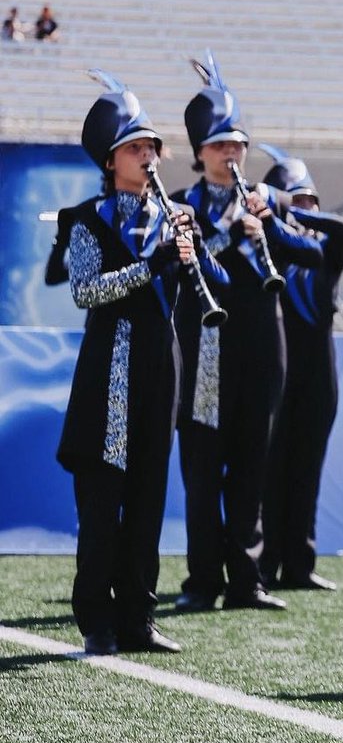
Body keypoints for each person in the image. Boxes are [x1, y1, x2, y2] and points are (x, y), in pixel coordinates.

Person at [56, 72, 226, 655]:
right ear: (111, 160)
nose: (148, 155)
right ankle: (97, 620)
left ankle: (138, 616)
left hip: (162, 367)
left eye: (151, 146)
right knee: (104, 500)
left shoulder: (173, 217)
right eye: (135, 147)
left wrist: (195, 250)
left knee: (150, 494)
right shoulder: (86, 220)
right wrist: (149, 266)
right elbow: (84, 291)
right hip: (110, 372)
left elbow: (214, 282)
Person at [172, 53, 322, 613]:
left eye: (237, 144)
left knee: (252, 463)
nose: (230, 153)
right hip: (206, 349)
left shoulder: (267, 198)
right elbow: (183, 268)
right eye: (219, 145)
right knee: (204, 466)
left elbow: (317, 250)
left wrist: (271, 226)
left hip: (262, 345)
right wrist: (227, 234)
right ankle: (201, 580)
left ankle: (247, 578)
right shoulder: (180, 205)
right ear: (199, 154)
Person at [260, 147, 343, 591]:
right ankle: (264, 563)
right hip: (277, 370)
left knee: (307, 468)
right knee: (271, 469)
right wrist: (271, 217)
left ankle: (301, 562)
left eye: (311, 200)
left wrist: (287, 210)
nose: (308, 209)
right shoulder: (267, 244)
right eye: (297, 199)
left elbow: (341, 231)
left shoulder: (326, 247)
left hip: (319, 375)